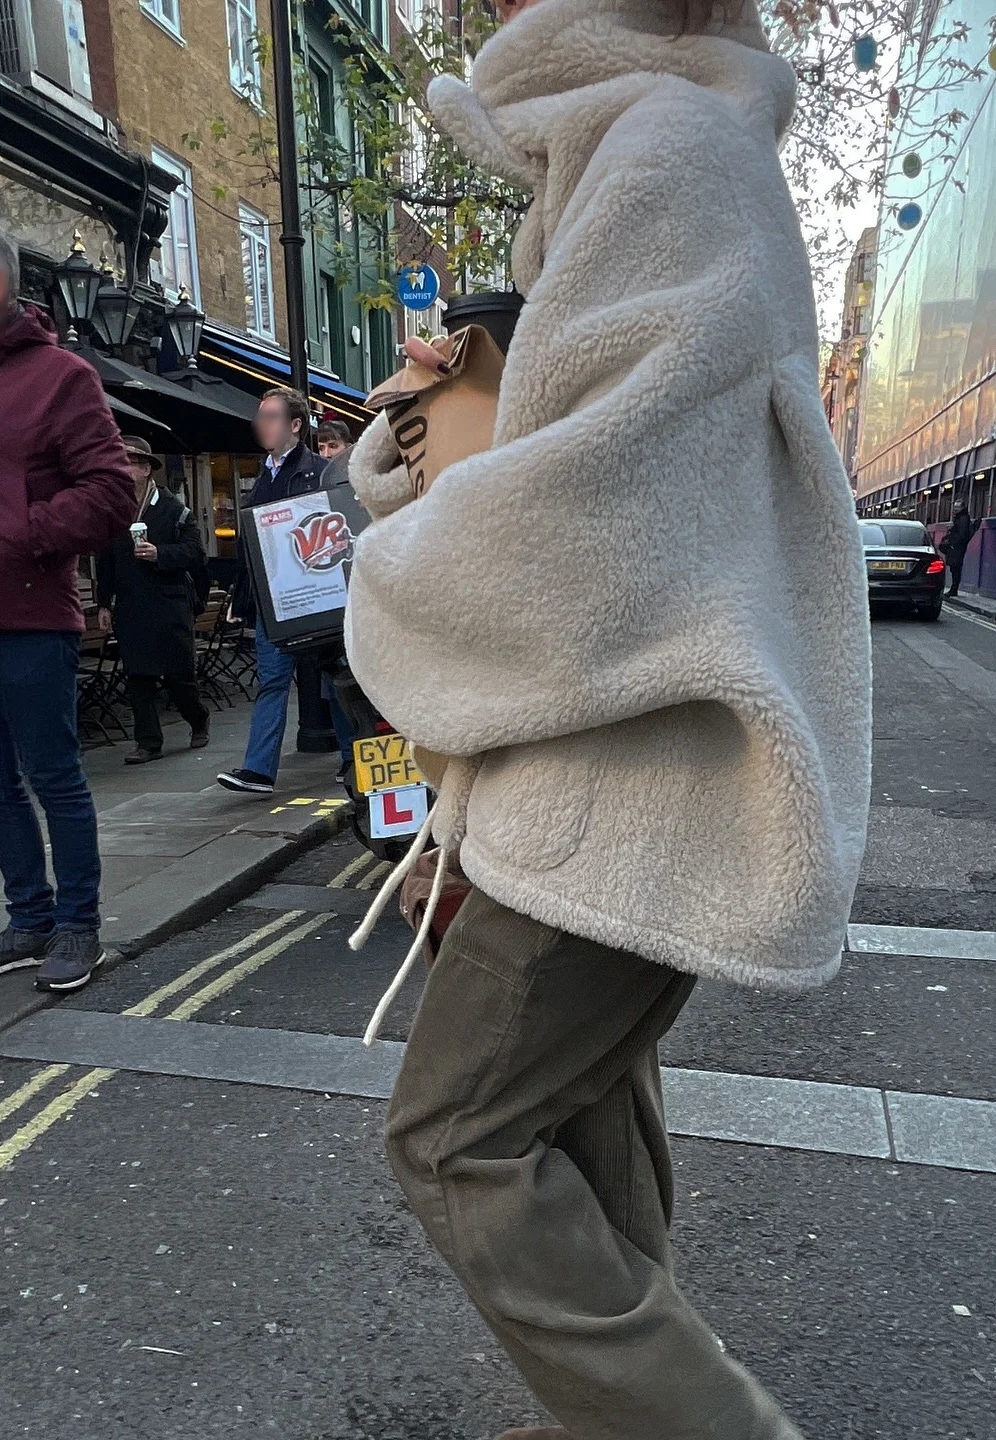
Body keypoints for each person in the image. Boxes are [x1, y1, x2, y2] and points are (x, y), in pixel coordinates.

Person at [344, 1, 872, 1438]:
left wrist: (392, 567)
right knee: (578, 1105)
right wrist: (420, 464)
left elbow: (605, 514)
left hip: (625, 768)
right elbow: (588, 462)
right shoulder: (661, 150)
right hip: (632, 758)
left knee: (454, 1140)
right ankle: (615, 1415)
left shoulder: (669, 150)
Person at [0, 204, 134, 992]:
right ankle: (29, 917)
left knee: (54, 777)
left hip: (31, 621)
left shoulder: (61, 378)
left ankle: (78, 926)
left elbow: (113, 493)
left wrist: (18, 531)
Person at [217, 388, 327, 794]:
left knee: (337, 681)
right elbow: (251, 548)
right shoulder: (260, 477)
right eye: (260, 417)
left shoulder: (319, 472)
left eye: (271, 417)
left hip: (316, 597)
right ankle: (259, 770)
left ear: (295, 425)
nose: (262, 425)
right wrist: (239, 596)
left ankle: (356, 760)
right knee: (272, 682)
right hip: (272, 602)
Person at [95, 437, 210, 764]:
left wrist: (161, 553)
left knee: (178, 674)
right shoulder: (114, 510)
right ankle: (148, 742)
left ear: (146, 469)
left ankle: (198, 718)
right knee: (138, 676)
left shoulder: (174, 509)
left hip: (168, 601)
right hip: (132, 603)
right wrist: (104, 602)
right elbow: (105, 559)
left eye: (131, 462)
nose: (124, 468)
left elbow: (196, 554)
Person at [940, 501, 981, 597]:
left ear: (962, 507)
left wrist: (953, 544)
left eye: (957, 507)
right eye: (955, 507)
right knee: (954, 568)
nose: (955, 509)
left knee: (955, 568)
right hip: (956, 546)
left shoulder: (963, 518)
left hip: (957, 547)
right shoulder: (960, 517)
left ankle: (954, 590)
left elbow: (962, 534)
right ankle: (953, 589)